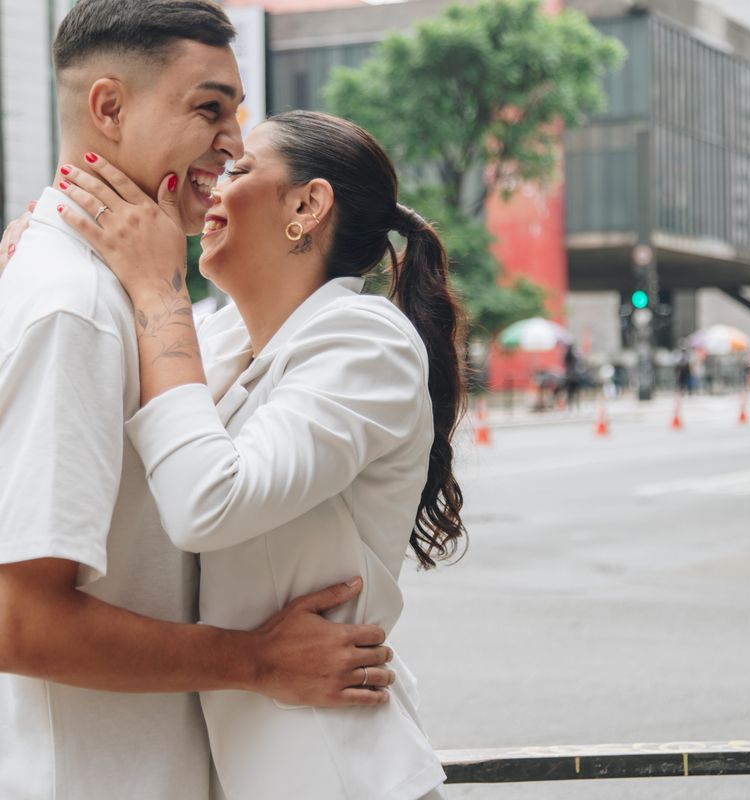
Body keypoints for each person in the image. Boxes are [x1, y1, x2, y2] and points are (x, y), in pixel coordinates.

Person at [0, 4, 392, 799]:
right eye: (209, 108)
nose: (233, 144)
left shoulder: (117, 298)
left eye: (238, 117)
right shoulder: (76, 305)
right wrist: (251, 660)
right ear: (109, 108)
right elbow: (18, 621)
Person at [55, 109, 467, 799]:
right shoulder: (219, 343)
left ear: (307, 206)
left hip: (332, 774)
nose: (213, 185)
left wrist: (161, 290)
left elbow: (207, 503)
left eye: (239, 170)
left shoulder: (366, 341)